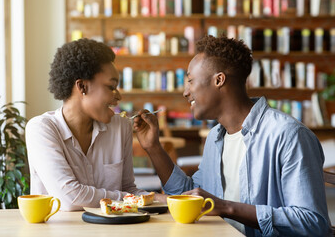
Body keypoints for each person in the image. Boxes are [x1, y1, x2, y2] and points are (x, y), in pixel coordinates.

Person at [133, 36, 332, 236]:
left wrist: (227, 207)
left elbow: (312, 223)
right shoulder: (215, 138)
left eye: (191, 81)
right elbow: (192, 194)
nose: (185, 92)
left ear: (219, 80)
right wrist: (153, 148)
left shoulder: (289, 135)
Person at [26, 38, 149, 211]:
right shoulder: (41, 129)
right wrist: (131, 198)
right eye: (111, 87)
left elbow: (128, 189)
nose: (118, 96)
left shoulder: (120, 127)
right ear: (82, 86)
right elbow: (70, 198)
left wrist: (162, 200)